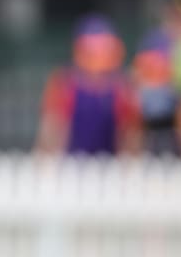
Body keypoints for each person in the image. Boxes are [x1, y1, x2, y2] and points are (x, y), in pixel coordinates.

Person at [36, 14, 141, 156]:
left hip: (111, 168)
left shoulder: (122, 88)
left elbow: (130, 135)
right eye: (93, 52)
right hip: (71, 167)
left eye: (103, 51)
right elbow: (52, 129)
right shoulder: (65, 84)